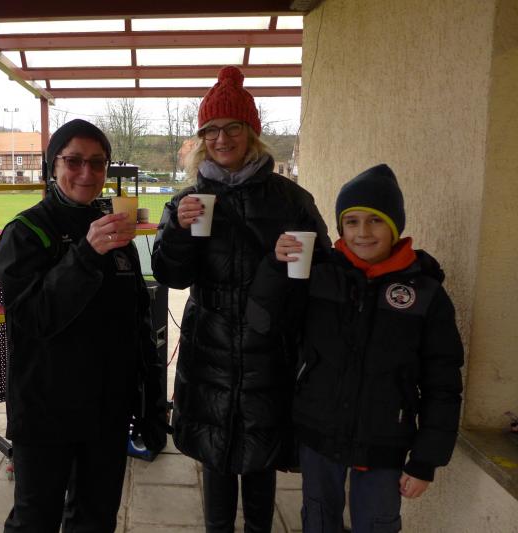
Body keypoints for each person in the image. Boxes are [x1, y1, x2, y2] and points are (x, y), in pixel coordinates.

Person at [152, 65, 330, 533]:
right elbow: (171, 275)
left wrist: (288, 264)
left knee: (259, 460)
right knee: (214, 456)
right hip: (208, 349)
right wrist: (177, 231)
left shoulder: (291, 199)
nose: (221, 139)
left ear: (252, 133)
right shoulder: (188, 200)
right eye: (211, 130)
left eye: (232, 128)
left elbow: (322, 271)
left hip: (268, 350)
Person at [265, 164, 464, 533]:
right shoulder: (319, 275)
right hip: (319, 432)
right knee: (318, 519)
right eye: (352, 221)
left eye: (375, 221)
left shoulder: (425, 294)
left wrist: (425, 461)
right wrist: (277, 269)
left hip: (384, 441)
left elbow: (443, 384)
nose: (363, 232)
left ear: (395, 226)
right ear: (341, 228)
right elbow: (268, 323)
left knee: (376, 523)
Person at [0, 119, 165, 532]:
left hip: (107, 409)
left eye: (97, 162)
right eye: (74, 161)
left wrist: (150, 402)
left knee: (96, 518)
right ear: (53, 166)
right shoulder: (26, 231)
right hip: (46, 406)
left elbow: (137, 322)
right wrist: (86, 255)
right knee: (35, 520)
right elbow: (33, 318)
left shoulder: (116, 233)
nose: (87, 173)